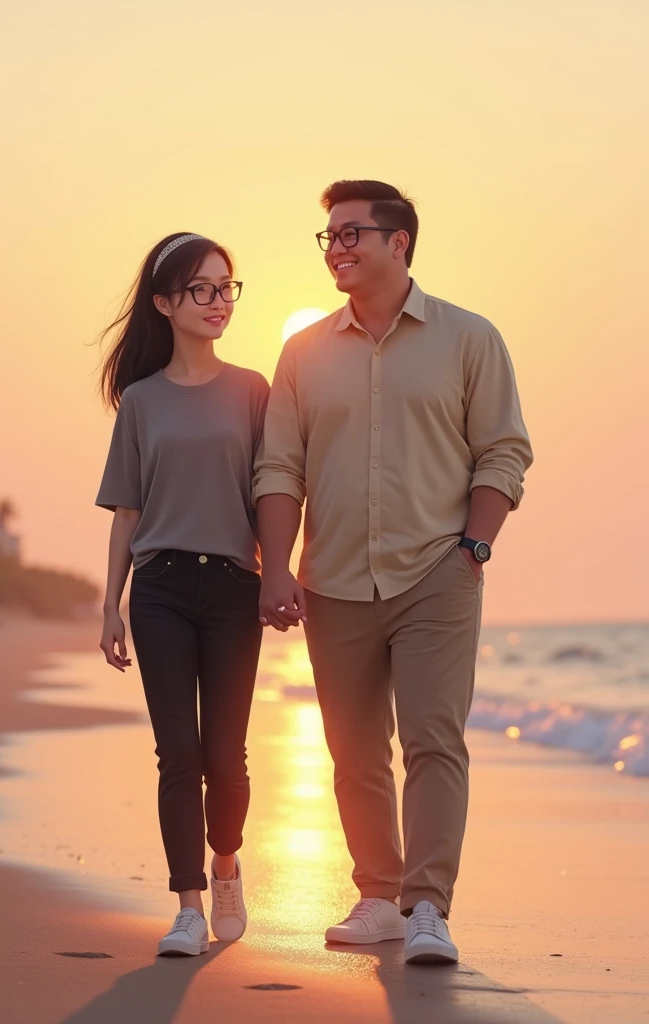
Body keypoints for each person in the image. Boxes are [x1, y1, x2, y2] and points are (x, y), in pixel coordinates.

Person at [254, 180, 533, 965]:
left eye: (352, 234)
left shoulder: (469, 338)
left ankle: (427, 908)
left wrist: (473, 549)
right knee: (352, 750)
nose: (336, 248)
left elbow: (504, 450)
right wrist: (277, 568)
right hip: (333, 578)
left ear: (399, 243)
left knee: (434, 741)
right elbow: (279, 466)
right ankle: (378, 896)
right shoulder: (304, 352)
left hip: (437, 571)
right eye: (329, 237)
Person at [95, 232, 269, 957]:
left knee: (226, 756)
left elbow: (274, 494)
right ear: (165, 303)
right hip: (160, 586)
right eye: (202, 289)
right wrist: (111, 603)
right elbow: (127, 510)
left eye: (227, 286)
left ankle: (226, 862)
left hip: (234, 587)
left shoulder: (254, 391)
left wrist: (286, 575)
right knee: (179, 755)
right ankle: (188, 906)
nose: (219, 300)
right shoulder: (139, 401)